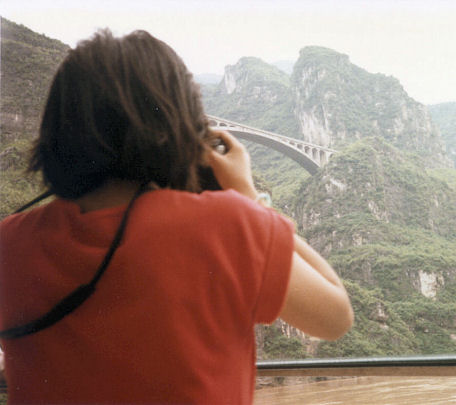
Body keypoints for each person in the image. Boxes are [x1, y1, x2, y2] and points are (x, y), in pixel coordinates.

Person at [0, 29, 353, 404]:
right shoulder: (225, 223)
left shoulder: (9, 242)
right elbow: (335, 317)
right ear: (180, 130)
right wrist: (250, 199)